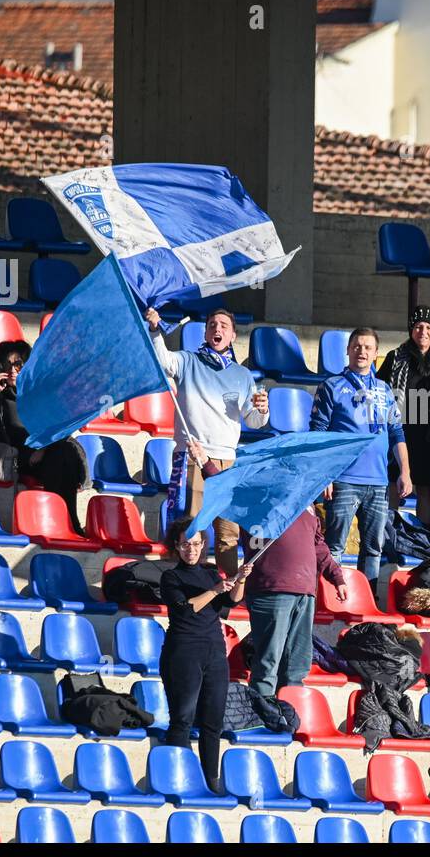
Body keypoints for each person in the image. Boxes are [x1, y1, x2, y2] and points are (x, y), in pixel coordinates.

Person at [146, 306, 268, 577]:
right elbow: (162, 361)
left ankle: (228, 592)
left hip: (229, 460)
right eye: (212, 324)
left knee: (228, 532)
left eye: (224, 325)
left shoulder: (242, 375)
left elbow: (254, 422)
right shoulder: (189, 361)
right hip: (193, 456)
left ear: (233, 335)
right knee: (191, 529)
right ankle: (190, 586)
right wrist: (155, 330)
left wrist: (262, 409)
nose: (217, 329)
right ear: (205, 332)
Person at [310, 327, 411, 590]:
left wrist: (405, 472)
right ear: (347, 350)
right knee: (335, 545)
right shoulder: (331, 386)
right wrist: (324, 475)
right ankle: (329, 600)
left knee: (373, 548)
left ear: (376, 353)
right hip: (343, 479)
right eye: (356, 346)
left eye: (367, 347)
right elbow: (318, 434)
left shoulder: (385, 390)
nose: (361, 351)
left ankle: (367, 604)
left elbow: (397, 432)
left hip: (378, 482)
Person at [159, 517, 252, 792]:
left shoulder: (211, 573)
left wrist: (240, 580)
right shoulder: (171, 577)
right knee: (182, 719)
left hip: (214, 652)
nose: (192, 549)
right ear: (176, 547)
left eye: (196, 544)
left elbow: (231, 601)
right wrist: (213, 590)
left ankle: (211, 781)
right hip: (183, 652)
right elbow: (186, 609)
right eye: (186, 544)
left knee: (213, 722)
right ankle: (179, 779)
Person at [0, 339, 89, 532]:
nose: (13, 370)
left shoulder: (41, 394)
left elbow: (59, 426)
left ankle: (68, 522)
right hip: (14, 459)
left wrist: (42, 449)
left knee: (63, 453)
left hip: (46, 454)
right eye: (7, 365)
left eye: (18, 365)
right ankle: (67, 524)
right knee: (61, 456)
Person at [243, 504, 347, 697]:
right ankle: (260, 715)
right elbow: (223, 483)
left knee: (297, 664)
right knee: (268, 663)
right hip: (270, 589)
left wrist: (336, 577)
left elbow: (318, 546)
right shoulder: (257, 495)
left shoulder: (306, 502)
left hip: (305, 592)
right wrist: (203, 471)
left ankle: (289, 714)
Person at [377, 305, 430, 538]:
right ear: (411, 329)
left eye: (429, 327)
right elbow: (380, 390)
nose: (423, 331)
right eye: (419, 326)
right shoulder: (395, 357)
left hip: (428, 433)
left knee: (425, 487)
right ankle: (388, 533)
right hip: (399, 429)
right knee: (394, 481)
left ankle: (421, 536)